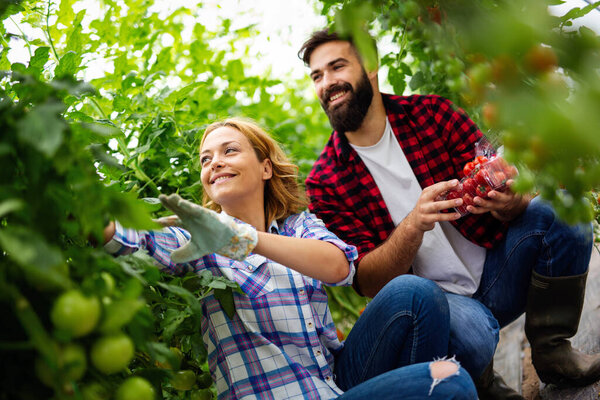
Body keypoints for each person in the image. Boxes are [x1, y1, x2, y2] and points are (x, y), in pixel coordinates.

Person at [298, 29, 599, 399]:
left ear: (371, 66)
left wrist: (509, 203)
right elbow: (367, 282)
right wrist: (413, 225)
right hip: (437, 310)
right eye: (317, 75)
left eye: (337, 67)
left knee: (562, 210)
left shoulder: (431, 114)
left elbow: (511, 190)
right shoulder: (326, 182)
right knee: (476, 333)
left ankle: (554, 353)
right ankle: (483, 382)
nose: (328, 83)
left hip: (498, 268)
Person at [103, 118, 477, 399]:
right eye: (205, 159)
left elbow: (338, 266)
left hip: (334, 385)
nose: (214, 163)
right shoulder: (196, 238)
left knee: (414, 293)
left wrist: (244, 238)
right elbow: (134, 239)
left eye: (229, 150)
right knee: (449, 380)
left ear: (266, 167)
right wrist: (84, 211)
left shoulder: (297, 227)